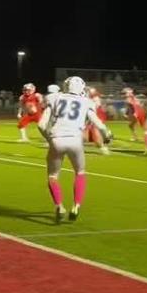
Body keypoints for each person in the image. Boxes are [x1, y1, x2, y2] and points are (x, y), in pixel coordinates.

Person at [39, 75, 113, 222]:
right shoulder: (86, 101)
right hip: (75, 140)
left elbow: (41, 125)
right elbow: (97, 122)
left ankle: (59, 206)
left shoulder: (54, 98)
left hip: (56, 138)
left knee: (53, 176)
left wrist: (50, 139)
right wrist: (107, 133)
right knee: (80, 172)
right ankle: (76, 205)